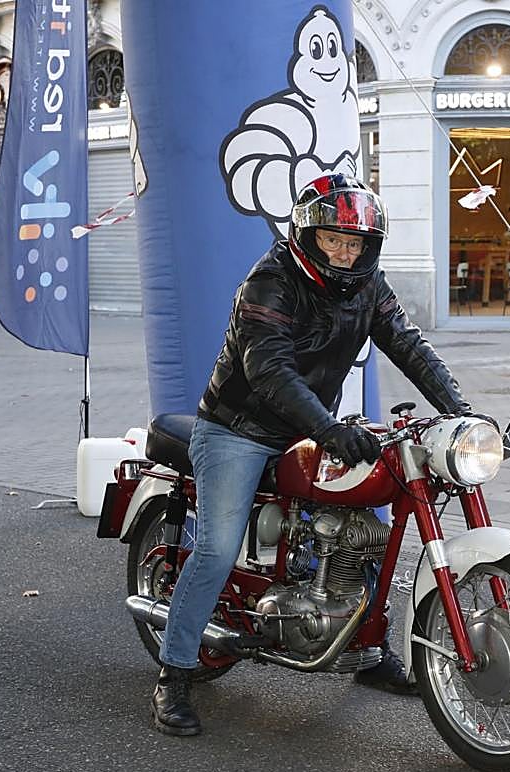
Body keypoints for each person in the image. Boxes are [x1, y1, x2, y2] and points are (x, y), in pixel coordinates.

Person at [152, 174, 473, 736]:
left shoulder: (368, 285)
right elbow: (268, 368)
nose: (345, 254)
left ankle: (366, 653)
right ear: (308, 236)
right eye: (334, 241)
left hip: (308, 426)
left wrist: (460, 409)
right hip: (239, 428)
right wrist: (327, 429)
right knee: (219, 547)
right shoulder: (271, 281)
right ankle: (174, 675)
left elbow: (406, 342)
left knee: (368, 525)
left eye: (356, 244)